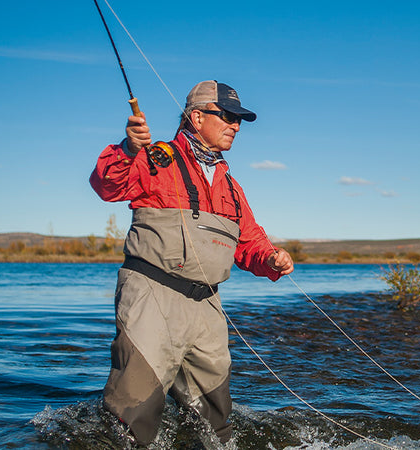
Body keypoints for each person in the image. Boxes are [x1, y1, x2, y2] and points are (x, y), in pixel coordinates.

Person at [89, 80, 294, 445]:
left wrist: (271, 259)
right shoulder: (156, 159)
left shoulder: (231, 184)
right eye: (228, 117)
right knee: (133, 415)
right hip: (153, 297)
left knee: (214, 423)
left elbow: (248, 241)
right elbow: (109, 185)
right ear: (196, 117)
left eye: (240, 120)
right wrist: (129, 148)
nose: (235, 125)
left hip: (207, 308)